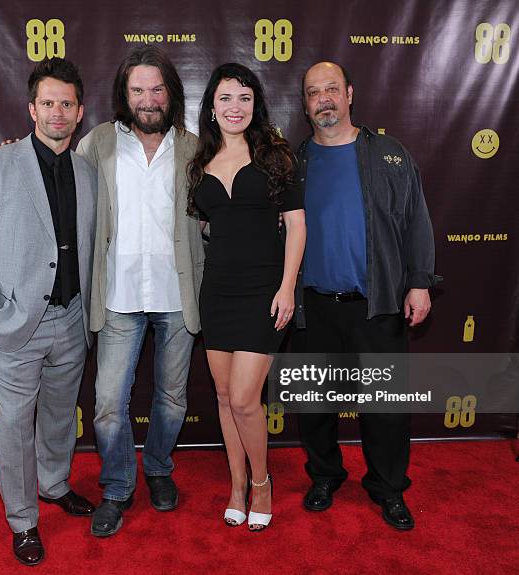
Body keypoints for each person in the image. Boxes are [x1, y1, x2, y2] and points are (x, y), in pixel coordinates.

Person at [0, 58, 97, 565]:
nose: (57, 113)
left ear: (79, 112)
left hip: (71, 318)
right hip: (14, 324)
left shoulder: (87, 170)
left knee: (60, 416)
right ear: (31, 108)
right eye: (48, 103)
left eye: (66, 104)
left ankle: (55, 485)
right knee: (14, 427)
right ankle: (22, 520)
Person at [294, 61, 438, 530]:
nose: (324, 100)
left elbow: (416, 219)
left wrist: (419, 281)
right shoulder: (295, 162)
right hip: (313, 306)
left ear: (350, 93)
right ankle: (324, 476)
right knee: (315, 405)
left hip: (377, 306)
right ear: (305, 102)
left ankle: (388, 487)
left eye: (332, 89)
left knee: (386, 408)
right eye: (314, 93)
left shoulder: (390, 154)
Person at [76, 45, 205, 537]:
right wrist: (11, 155)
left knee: (172, 400)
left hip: (177, 297)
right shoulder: (99, 144)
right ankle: (117, 486)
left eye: (157, 89)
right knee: (108, 404)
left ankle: (157, 468)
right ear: (123, 95)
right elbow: (56, 172)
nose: (148, 99)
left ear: (171, 93)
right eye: (138, 90)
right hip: (117, 298)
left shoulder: (194, 148)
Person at [187, 63, 306, 531]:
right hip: (217, 292)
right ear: (211, 108)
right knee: (221, 395)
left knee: (243, 399)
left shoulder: (275, 156)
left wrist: (287, 287)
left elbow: (296, 224)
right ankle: (235, 484)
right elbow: (203, 225)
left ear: (255, 106)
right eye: (225, 99)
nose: (234, 107)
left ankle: (261, 482)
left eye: (244, 98)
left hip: (264, 292)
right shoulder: (200, 163)